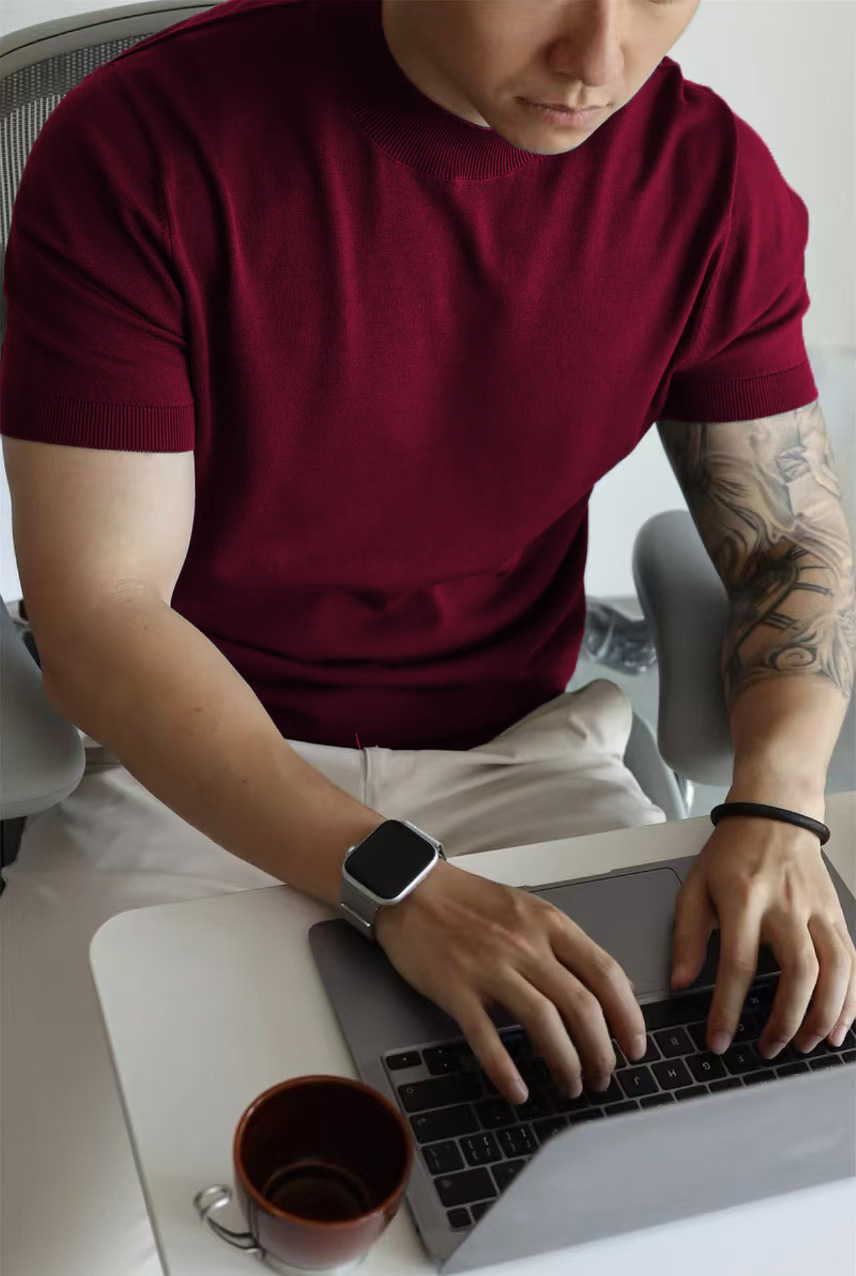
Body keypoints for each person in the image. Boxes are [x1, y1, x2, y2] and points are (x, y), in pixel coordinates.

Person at [2, 1, 854, 1272]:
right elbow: (102, 617)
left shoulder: (705, 182)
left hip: (518, 753)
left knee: (706, 1218)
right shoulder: (146, 142)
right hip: (191, 772)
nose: (599, 58)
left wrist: (780, 807)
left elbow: (788, 544)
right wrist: (398, 881)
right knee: (57, 1249)